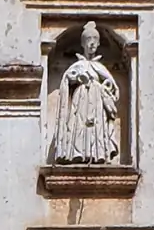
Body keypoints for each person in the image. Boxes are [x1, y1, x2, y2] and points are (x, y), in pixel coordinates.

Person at [50, 20, 123, 164]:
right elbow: (66, 80)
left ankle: (98, 154)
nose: (92, 43)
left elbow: (114, 88)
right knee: (79, 126)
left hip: (97, 101)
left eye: (95, 40)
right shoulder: (77, 65)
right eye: (89, 40)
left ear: (99, 44)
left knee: (97, 125)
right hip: (81, 98)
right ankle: (78, 153)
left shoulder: (100, 67)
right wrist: (77, 78)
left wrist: (106, 86)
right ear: (83, 43)